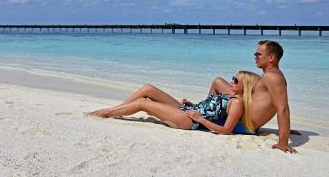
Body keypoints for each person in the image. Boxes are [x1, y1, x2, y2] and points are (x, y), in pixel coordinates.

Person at [88, 71, 260, 135]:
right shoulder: (231, 96)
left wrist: (200, 119)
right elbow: (209, 104)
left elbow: (225, 131)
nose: (232, 81)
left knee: (143, 103)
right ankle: (118, 110)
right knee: (148, 88)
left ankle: (106, 112)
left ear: (245, 86)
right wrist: (193, 104)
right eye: (233, 78)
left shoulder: (237, 104)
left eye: (235, 81)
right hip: (189, 109)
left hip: (189, 121)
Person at [208, 40, 297, 153]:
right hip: (244, 120)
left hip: (243, 125)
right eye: (255, 54)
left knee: (216, 83)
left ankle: (206, 111)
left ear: (271, 57)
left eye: (258, 54)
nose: (255, 57)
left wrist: (283, 141)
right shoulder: (273, 75)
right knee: (218, 82)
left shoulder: (273, 77)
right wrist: (286, 130)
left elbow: (283, 108)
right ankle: (207, 107)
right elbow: (280, 105)